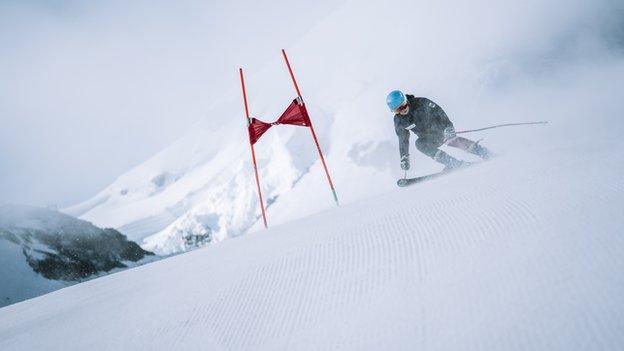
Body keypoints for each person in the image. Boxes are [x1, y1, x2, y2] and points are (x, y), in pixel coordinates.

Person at [387, 90, 490, 171]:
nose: (403, 110)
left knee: (450, 140)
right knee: (419, 144)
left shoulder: (421, 102)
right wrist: (404, 157)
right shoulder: (399, 121)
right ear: (394, 111)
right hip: (428, 138)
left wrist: (448, 127)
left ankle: (483, 152)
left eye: (404, 105)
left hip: (440, 129)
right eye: (398, 109)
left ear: (406, 100)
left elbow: (439, 112)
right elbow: (403, 139)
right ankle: (452, 163)